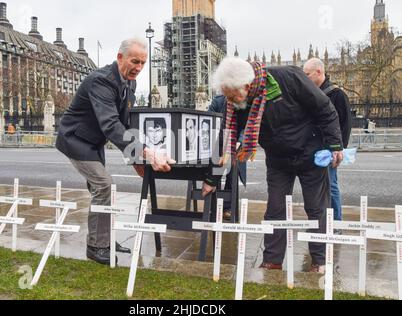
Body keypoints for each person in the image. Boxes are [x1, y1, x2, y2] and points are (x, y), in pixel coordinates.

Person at [204, 57, 343, 274]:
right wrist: (211, 178)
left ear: (247, 87)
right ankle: (272, 261)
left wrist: (335, 145)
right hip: (278, 159)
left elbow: (325, 109)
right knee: (275, 209)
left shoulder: (289, 78)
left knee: (316, 208)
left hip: (310, 153)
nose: (229, 102)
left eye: (231, 96)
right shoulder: (239, 102)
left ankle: (320, 261)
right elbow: (226, 137)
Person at [56, 37, 174, 266]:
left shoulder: (130, 82)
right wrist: (148, 154)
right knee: (103, 185)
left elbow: (124, 123)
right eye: (134, 61)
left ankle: (105, 240)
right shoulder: (100, 81)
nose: (138, 68)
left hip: (93, 142)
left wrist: (136, 159)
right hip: (75, 139)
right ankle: (96, 247)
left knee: (103, 191)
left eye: (142, 63)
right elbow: (110, 125)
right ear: (120, 57)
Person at [304, 58, 352, 223]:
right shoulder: (310, 93)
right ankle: (321, 222)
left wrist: (338, 149)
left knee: (330, 186)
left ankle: (336, 223)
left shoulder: (337, 94)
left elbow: (345, 125)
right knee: (315, 189)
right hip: (312, 148)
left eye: (307, 74)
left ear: (318, 72)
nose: (305, 78)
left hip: (329, 150)